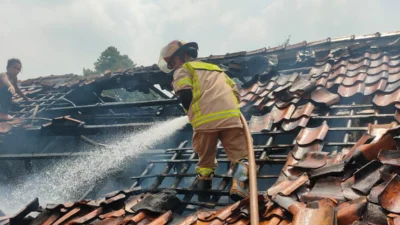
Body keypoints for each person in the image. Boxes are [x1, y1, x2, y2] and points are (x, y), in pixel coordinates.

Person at [158, 40, 250, 202]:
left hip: (204, 121)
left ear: (183, 55)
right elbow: (235, 92)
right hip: (231, 118)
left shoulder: (183, 70)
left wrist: (191, 112)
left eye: (173, 62)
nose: (173, 66)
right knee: (240, 155)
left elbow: (185, 93)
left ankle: (204, 186)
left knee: (205, 155)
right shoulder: (218, 70)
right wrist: (230, 111)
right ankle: (239, 185)